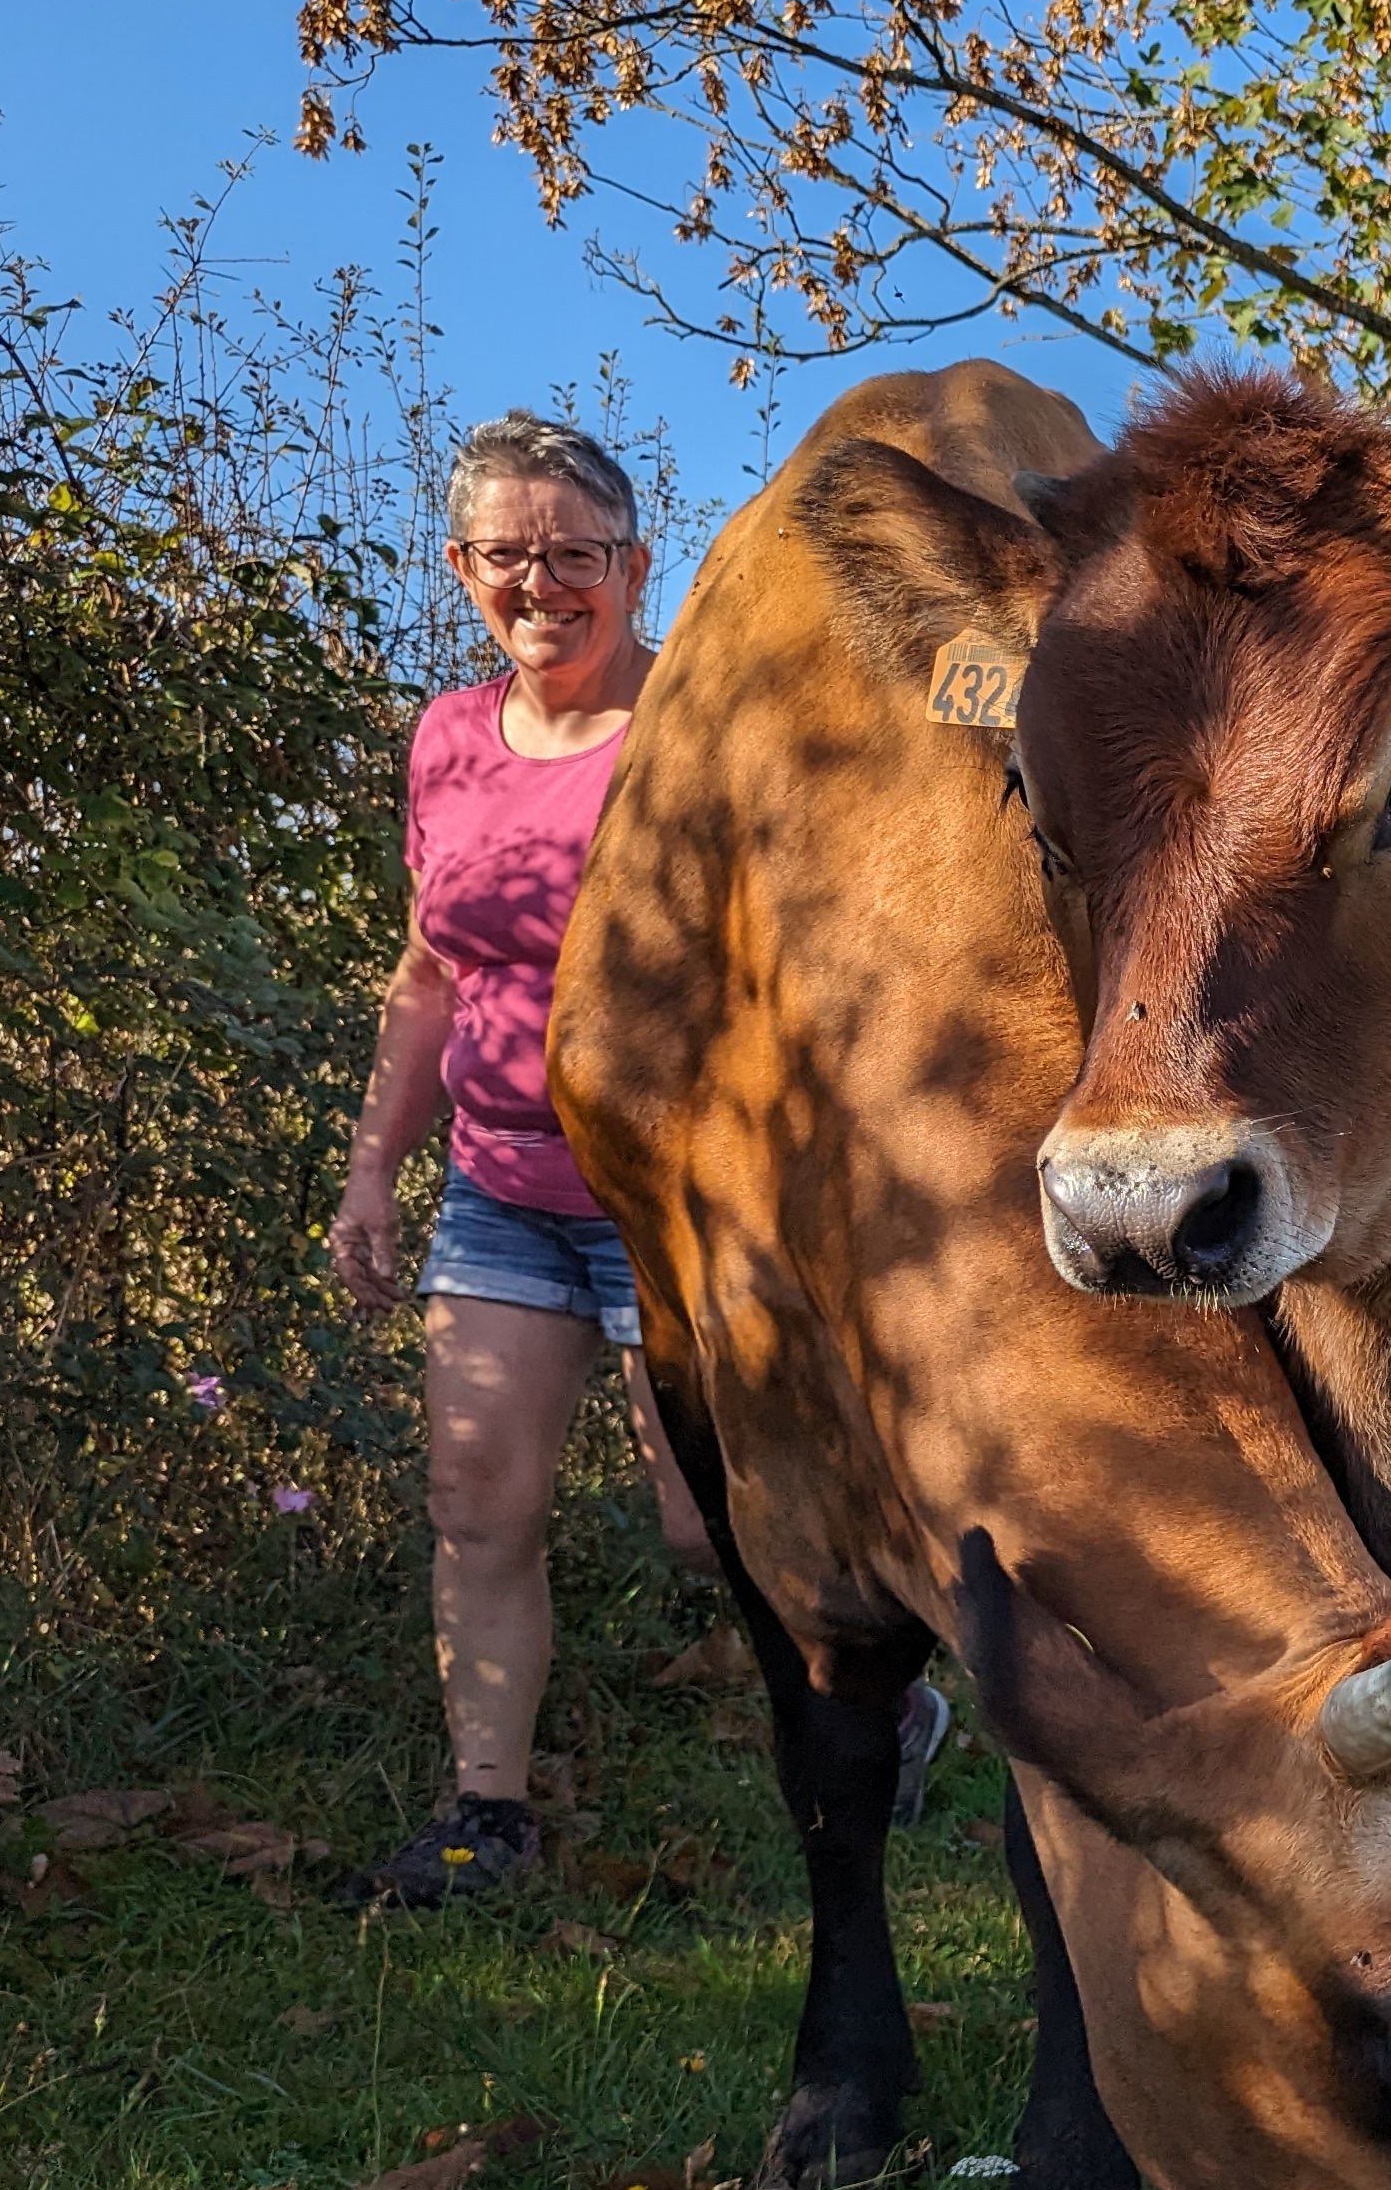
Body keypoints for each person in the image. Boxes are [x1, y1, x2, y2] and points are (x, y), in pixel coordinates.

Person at [329, 412, 950, 1904]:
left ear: (633, 563)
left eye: (574, 553)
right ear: (461, 565)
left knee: (709, 1521)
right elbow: (430, 976)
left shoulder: (697, 731)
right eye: (507, 554)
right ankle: (490, 1815)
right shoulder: (449, 742)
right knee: (477, 1498)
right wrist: (372, 1171)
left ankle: (897, 1701)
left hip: (678, 1199)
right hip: (500, 1191)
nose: (540, 583)